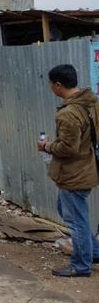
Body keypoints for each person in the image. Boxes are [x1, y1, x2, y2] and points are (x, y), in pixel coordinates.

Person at [37, 64, 99, 277]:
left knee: (76, 221)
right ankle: (95, 252)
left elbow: (68, 148)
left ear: (58, 85)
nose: (50, 88)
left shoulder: (68, 114)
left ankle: (81, 265)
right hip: (86, 168)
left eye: (50, 84)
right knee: (69, 212)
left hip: (74, 174)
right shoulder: (91, 104)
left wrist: (46, 146)